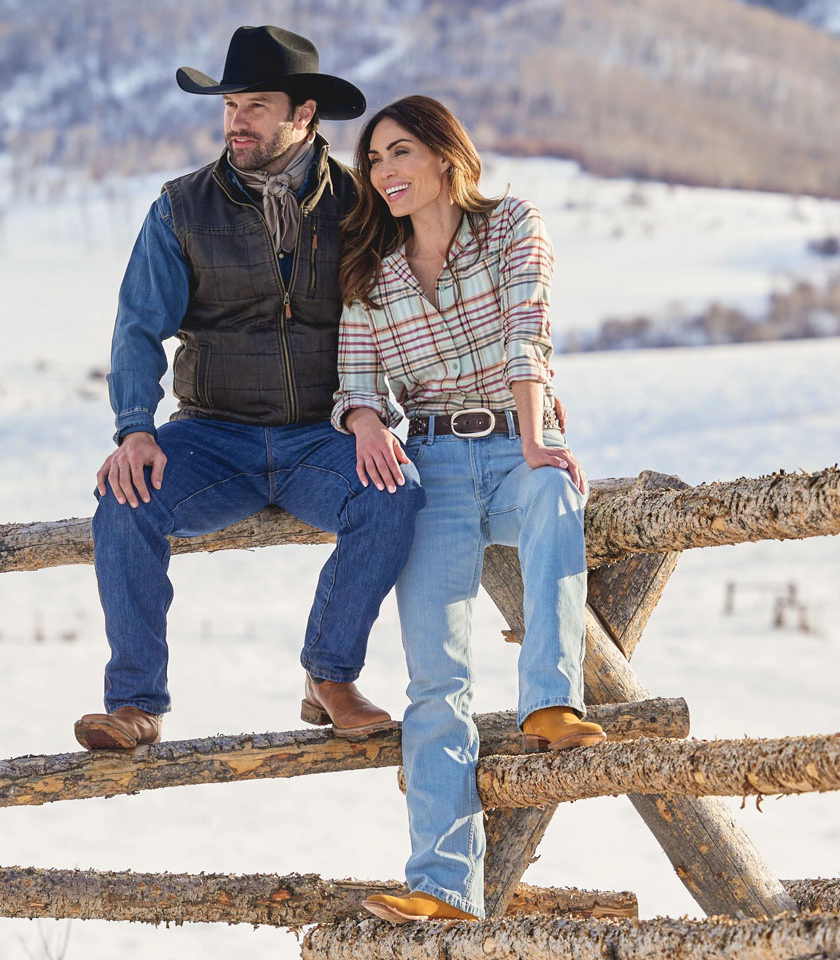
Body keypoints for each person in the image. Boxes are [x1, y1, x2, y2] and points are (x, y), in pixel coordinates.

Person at [78, 25, 423, 753]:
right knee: (124, 497)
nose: (237, 121)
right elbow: (138, 327)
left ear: (303, 115)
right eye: (231, 104)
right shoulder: (181, 207)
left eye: (256, 105)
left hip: (322, 433)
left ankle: (329, 677)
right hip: (212, 436)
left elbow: (406, 314)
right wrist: (135, 427)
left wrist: (373, 412)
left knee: (395, 493)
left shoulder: (362, 207)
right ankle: (136, 703)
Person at [330, 94, 606, 924]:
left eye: (400, 153)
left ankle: (551, 702)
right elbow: (356, 379)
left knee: (555, 493)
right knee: (434, 679)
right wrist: (371, 424)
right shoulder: (371, 270)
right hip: (437, 464)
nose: (384, 173)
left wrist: (535, 436)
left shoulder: (512, 224)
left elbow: (530, 331)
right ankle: (443, 887)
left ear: (447, 157)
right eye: (373, 160)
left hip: (519, 443)